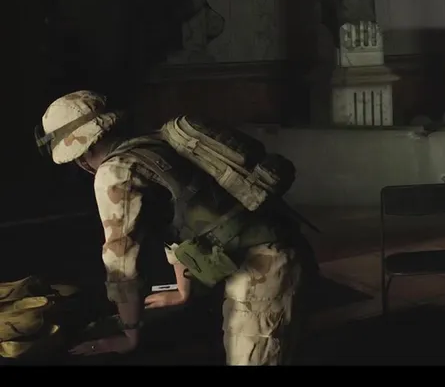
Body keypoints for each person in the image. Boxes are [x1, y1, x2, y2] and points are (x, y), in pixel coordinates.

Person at [35, 91, 311, 365]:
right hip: (278, 252)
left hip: (261, 273)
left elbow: (122, 264)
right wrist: (182, 290)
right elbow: (182, 223)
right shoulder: (158, 144)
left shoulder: (115, 172)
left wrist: (129, 333)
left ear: (81, 154)